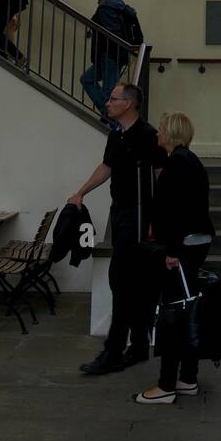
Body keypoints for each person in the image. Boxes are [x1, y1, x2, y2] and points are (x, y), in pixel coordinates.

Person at [71, 84, 167, 376]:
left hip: (139, 215)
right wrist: (80, 192)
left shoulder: (148, 135)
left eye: (113, 99)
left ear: (129, 104)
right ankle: (138, 345)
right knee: (127, 281)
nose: (108, 103)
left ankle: (113, 351)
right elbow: (107, 166)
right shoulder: (116, 134)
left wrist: (156, 217)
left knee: (124, 280)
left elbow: (162, 172)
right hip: (121, 212)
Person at [133, 111, 215, 405]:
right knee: (187, 309)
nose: (157, 134)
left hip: (182, 249)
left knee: (173, 314)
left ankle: (166, 385)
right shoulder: (188, 160)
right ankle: (187, 378)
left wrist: (172, 253)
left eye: (161, 130)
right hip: (192, 245)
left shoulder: (178, 163)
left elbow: (176, 212)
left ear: (171, 133)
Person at [80, 0, 133, 118]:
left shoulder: (107, 7)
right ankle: (108, 115)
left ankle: (111, 120)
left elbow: (111, 32)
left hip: (110, 55)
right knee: (87, 79)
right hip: (109, 55)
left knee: (108, 92)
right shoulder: (113, 4)